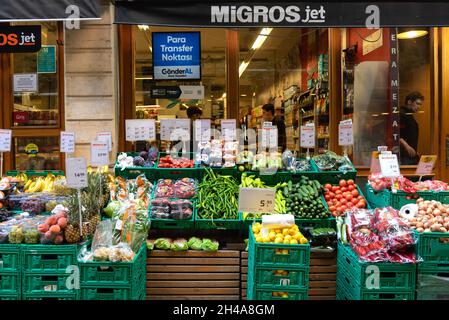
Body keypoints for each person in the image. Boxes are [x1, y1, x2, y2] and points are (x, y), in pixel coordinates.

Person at [399, 91, 424, 165]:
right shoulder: (402, 114)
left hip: (410, 155)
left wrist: (415, 151)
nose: (419, 107)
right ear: (409, 102)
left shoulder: (410, 115)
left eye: (420, 104)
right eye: (417, 103)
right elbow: (396, 134)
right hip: (404, 157)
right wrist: (406, 146)